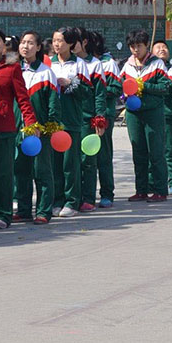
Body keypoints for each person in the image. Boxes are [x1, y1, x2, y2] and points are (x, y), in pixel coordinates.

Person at [0, 27, 37, 228]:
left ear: (4, 45)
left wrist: (30, 122)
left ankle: (4, 215)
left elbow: (22, 98)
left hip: (5, 128)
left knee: (4, 174)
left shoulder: (12, 67)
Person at [13, 31, 61, 224]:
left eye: (31, 43)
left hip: (40, 131)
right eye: (23, 42)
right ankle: (23, 209)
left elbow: (53, 104)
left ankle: (43, 210)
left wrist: (47, 128)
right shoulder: (14, 70)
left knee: (41, 172)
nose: (26, 46)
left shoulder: (45, 72)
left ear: (39, 47)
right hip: (18, 130)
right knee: (21, 170)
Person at [119, 29, 172, 202]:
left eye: (139, 46)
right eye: (132, 46)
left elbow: (165, 88)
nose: (136, 50)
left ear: (147, 45)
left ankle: (160, 190)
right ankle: (141, 189)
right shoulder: (127, 65)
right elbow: (121, 86)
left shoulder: (157, 64)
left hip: (153, 113)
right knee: (138, 152)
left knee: (156, 153)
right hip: (134, 114)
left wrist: (143, 86)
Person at [50, 26, 92, 217]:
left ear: (70, 43)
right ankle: (56, 200)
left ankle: (72, 201)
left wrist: (70, 84)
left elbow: (86, 91)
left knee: (70, 163)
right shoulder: (48, 64)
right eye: (54, 40)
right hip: (52, 120)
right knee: (54, 164)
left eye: (60, 41)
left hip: (71, 119)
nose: (56, 44)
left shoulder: (79, 64)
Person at [75, 28, 107, 213]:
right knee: (69, 161)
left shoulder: (94, 64)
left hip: (87, 118)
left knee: (88, 159)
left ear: (84, 42)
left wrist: (99, 118)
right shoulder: (57, 63)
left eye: (74, 41)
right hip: (68, 118)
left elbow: (99, 94)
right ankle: (71, 197)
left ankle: (88, 198)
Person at [93, 32, 121, 208]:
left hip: (105, 113)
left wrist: (98, 91)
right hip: (85, 114)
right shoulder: (81, 62)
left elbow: (117, 87)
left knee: (103, 155)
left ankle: (107, 193)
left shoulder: (107, 63)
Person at [152, 39, 172, 196]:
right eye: (158, 47)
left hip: (168, 113)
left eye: (164, 47)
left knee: (171, 149)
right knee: (154, 150)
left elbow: (168, 87)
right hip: (150, 114)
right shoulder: (147, 68)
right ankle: (153, 182)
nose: (162, 49)